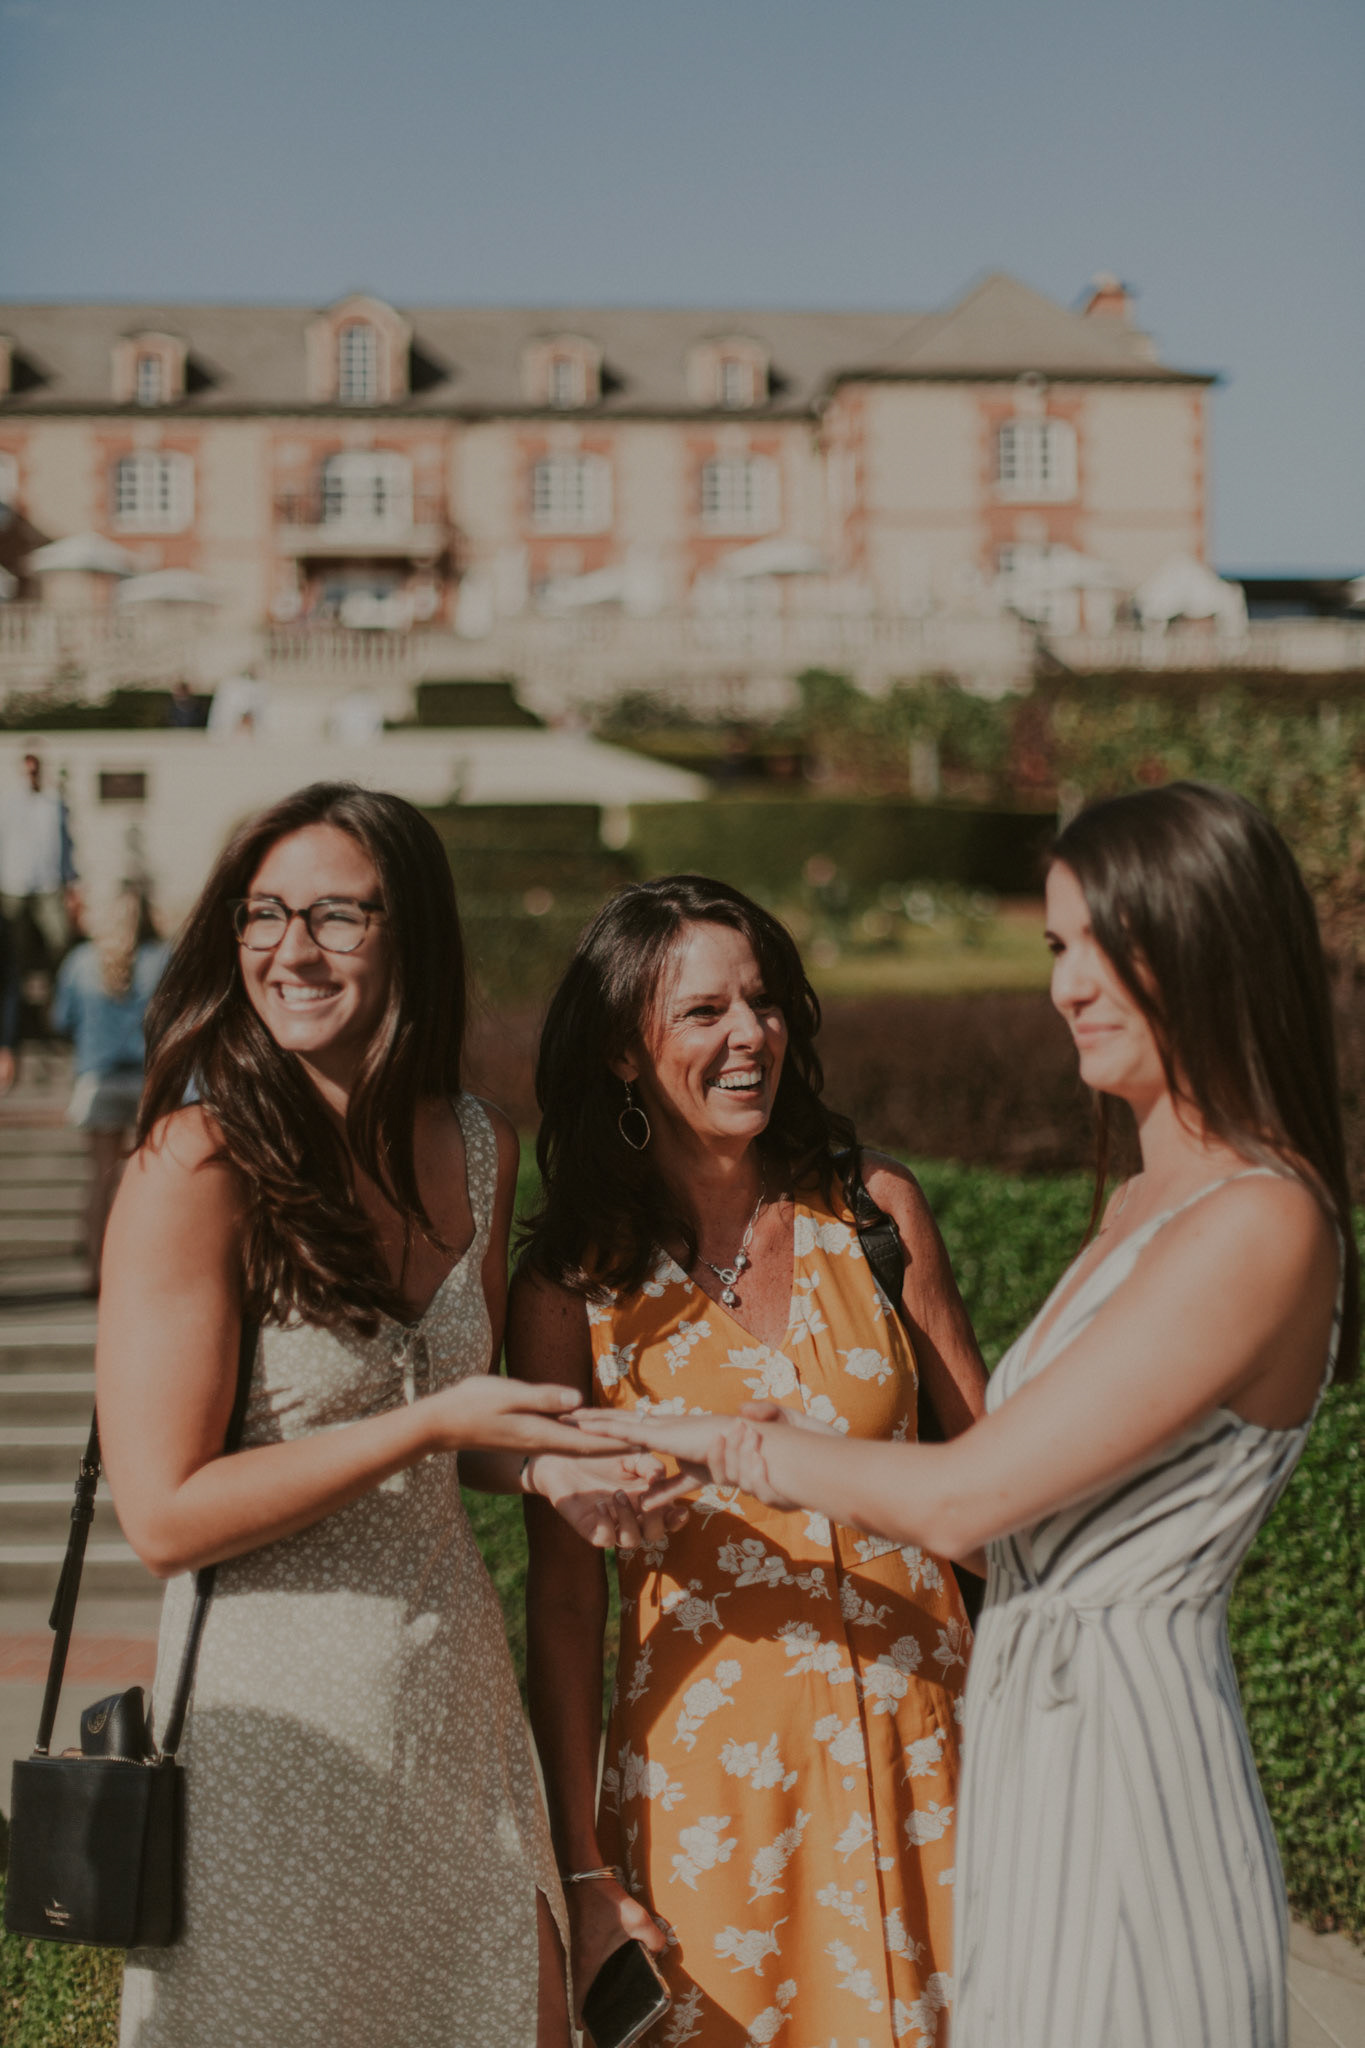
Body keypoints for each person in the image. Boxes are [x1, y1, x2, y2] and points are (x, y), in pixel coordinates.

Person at [591, 785, 1355, 2048]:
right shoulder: (1144, 1203)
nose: (1067, 986)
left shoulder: (1260, 1218)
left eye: (1105, 946)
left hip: (1130, 1754)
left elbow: (970, 1495)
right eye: (1057, 946)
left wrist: (723, 1438)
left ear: (1210, 945)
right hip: (1030, 1752)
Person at [98, 781, 667, 2048]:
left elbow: (460, 1434)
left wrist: (550, 1467)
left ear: (410, 931)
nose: (291, 949)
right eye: (262, 913)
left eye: (335, 915)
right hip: (269, 1740)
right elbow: (165, 1514)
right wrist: (426, 1425)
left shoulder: (479, 1141)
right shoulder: (197, 1164)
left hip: (454, 1706)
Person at [509, 874, 988, 2046]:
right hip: (711, 1801)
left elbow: (995, 1490)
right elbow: (565, 1604)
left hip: (934, 1763)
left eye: (764, 1002)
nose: (750, 1035)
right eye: (703, 1011)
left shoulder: (875, 1210)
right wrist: (583, 1866)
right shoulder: (571, 1286)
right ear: (624, 1051)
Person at [51, 886, 168, 1289]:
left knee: (100, 1180)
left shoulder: (79, 962)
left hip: (97, 1078)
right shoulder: (160, 959)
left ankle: (95, 1270)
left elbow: (61, 1020)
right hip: (146, 1081)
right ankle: (141, 1270)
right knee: (146, 1180)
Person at [0, 749, 77, 967]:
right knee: (14, 943)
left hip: (48, 883)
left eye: (35, 772)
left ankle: (57, 980)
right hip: (14, 884)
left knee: (59, 939)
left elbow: (64, 843)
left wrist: (70, 879)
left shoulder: (53, 803)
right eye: (28, 772)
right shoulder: (8, 802)